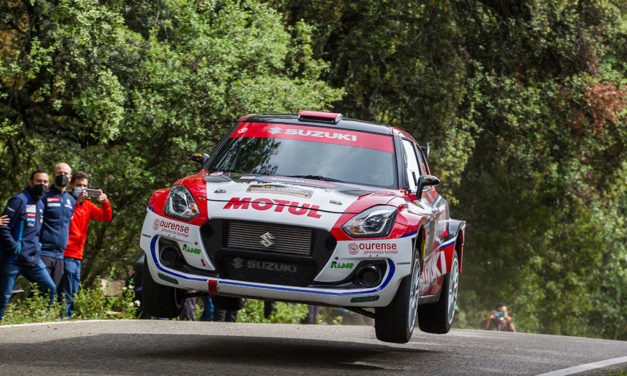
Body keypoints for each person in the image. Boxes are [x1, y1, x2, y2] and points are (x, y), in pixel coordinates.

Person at [0, 170, 56, 321]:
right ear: (30, 182)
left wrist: (36, 248)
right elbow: (3, 226)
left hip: (33, 259)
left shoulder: (41, 203)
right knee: (3, 297)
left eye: (45, 182)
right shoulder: (19, 200)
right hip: (13, 259)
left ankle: (41, 320)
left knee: (49, 288)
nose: (42, 185)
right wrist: (14, 248)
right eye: (39, 181)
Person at [59, 171, 112, 317]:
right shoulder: (67, 200)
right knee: (67, 288)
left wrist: (104, 202)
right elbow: (65, 217)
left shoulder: (88, 206)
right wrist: (77, 203)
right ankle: (65, 316)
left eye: (85, 186)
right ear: (71, 186)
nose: (82, 188)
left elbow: (105, 217)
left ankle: (67, 315)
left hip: (78, 254)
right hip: (66, 252)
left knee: (73, 288)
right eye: (78, 185)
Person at [40, 163, 76, 287]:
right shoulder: (44, 196)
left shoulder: (71, 200)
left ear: (70, 177)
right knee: (41, 290)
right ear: (53, 175)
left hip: (60, 255)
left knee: (52, 291)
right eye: (59, 173)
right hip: (43, 252)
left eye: (65, 174)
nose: (62, 176)